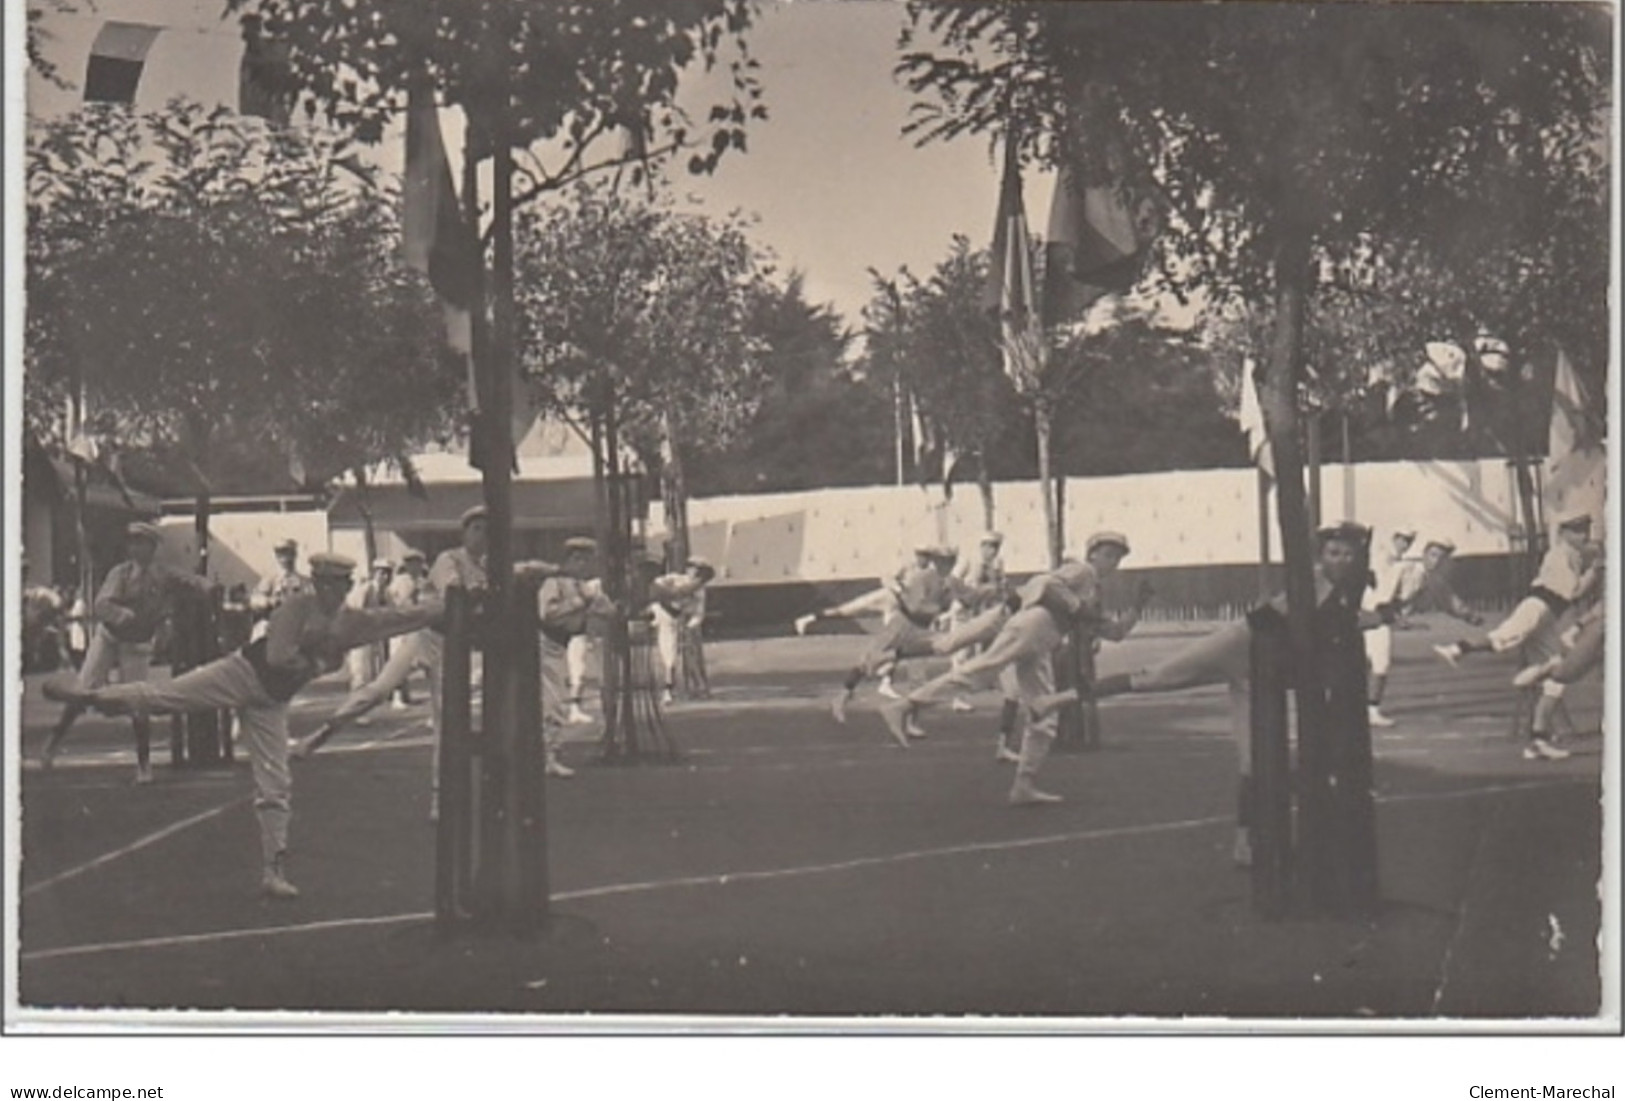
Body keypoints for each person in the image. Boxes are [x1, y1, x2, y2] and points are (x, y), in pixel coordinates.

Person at [45, 553, 444, 899]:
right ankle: (91, 697)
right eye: (327, 583)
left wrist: (443, 608)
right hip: (241, 673)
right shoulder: (296, 607)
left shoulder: (350, 620)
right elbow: (277, 657)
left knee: (276, 783)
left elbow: (396, 617)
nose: (333, 591)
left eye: (340, 584)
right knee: (167, 697)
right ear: (316, 582)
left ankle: (274, 871)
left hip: (272, 700)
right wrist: (320, 660)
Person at [1030, 522, 1382, 864]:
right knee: (1151, 678)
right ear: (1322, 556)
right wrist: (1375, 616)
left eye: (1348, 555)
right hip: (1236, 644)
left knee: (1252, 764)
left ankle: (1244, 841)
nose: (1341, 561)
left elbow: (1337, 625)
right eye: (1334, 552)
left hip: (1257, 677)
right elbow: (1291, 623)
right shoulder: (1312, 585)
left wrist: (1370, 615)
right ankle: (1055, 700)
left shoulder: (1343, 594)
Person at [881, 532, 1146, 806]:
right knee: (979, 672)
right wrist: (1078, 608)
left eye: (1118, 558)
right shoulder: (1083, 571)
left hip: (1044, 640)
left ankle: (1024, 785)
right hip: (1034, 624)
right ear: (1092, 554)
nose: (1113, 563)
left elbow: (1114, 633)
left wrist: (1137, 608)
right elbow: (1045, 584)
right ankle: (905, 705)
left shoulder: (1094, 589)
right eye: (1108, 555)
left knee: (1043, 713)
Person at [40, 521, 209, 783]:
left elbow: (190, 581)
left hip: (137, 645)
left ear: (152, 547)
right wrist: (122, 614)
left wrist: (206, 585)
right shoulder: (120, 574)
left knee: (138, 701)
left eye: (141, 543)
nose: (136, 548)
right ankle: (52, 743)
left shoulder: (163, 575)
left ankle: (144, 764)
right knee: (82, 690)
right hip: (109, 637)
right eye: (133, 543)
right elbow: (101, 604)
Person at [1432, 511, 1600, 677]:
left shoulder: (1572, 555)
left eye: (1586, 530)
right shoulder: (1559, 555)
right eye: (1578, 531)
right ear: (1563, 533)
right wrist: (1595, 570)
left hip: (1548, 616)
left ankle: (1533, 698)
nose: (1584, 535)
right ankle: (1455, 649)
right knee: (1503, 638)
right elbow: (1575, 592)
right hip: (1537, 608)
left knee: (1552, 669)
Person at [830, 545, 958, 723]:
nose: (949, 565)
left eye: (952, 561)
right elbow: (914, 606)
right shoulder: (923, 577)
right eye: (945, 561)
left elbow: (946, 604)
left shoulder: (949, 582)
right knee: (871, 658)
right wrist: (936, 611)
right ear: (937, 561)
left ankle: (911, 722)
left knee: (919, 672)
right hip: (903, 623)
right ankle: (842, 696)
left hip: (922, 629)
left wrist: (945, 610)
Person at [538, 538, 616, 777]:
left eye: (586, 559)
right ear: (569, 559)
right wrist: (578, 602)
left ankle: (548, 754)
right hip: (544, 641)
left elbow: (609, 611)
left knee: (555, 699)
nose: (582, 564)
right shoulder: (554, 583)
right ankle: (547, 756)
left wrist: (598, 603)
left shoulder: (586, 586)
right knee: (551, 701)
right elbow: (547, 613)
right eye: (577, 558)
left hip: (564, 642)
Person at [1362, 527, 1420, 727]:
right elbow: (1382, 596)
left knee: (1376, 664)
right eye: (1403, 539)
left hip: (1373, 616)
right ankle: (1370, 710)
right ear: (1394, 537)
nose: (1406, 543)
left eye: (1409, 541)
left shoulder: (1394, 562)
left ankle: (1369, 709)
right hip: (1371, 618)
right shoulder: (1386, 560)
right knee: (1379, 664)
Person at [947, 531, 1010, 713]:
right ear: (983, 546)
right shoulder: (969, 560)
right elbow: (952, 581)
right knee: (961, 654)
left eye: (996, 548)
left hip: (983, 612)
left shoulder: (997, 564)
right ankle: (957, 697)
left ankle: (988, 680)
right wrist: (967, 597)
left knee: (991, 646)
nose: (993, 551)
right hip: (964, 612)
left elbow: (1001, 586)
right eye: (990, 547)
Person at [648, 555, 717, 705]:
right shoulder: (675, 578)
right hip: (663, 614)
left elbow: (699, 612)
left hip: (679, 619)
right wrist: (672, 592)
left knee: (689, 653)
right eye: (691, 568)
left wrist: (691, 626)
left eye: (698, 571)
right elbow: (656, 586)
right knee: (669, 654)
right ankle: (668, 690)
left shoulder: (699, 591)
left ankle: (697, 686)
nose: (693, 572)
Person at [343, 559, 395, 725]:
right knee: (361, 674)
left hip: (374, 637)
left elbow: (391, 612)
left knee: (373, 674)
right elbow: (352, 613)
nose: (384, 576)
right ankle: (353, 712)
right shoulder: (365, 590)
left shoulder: (385, 593)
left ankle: (362, 709)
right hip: (359, 638)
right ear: (374, 573)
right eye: (381, 572)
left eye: (387, 573)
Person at [386, 548, 431, 707]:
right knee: (399, 662)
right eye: (410, 563)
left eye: (417, 563)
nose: (414, 566)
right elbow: (392, 601)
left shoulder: (425, 582)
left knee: (424, 662)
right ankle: (397, 696)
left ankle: (410, 694)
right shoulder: (399, 581)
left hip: (418, 626)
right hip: (401, 626)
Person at [250, 538, 313, 640]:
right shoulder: (270, 580)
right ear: (277, 557)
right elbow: (255, 600)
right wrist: (269, 602)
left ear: (294, 555)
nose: (285, 558)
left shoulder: (304, 582)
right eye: (281, 554)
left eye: (288, 553)